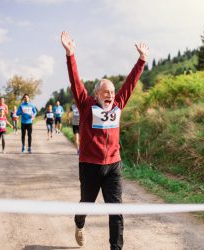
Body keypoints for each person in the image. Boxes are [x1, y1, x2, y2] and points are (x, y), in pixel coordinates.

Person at [61, 31, 148, 250]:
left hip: (113, 166)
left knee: (116, 210)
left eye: (112, 91)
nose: (110, 94)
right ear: (97, 94)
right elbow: (76, 82)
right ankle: (79, 224)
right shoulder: (86, 105)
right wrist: (71, 54)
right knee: (86, 204)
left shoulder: (118, 104)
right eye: (105, 92)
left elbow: (130, 83)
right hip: (90, 166)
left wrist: (142, 61)